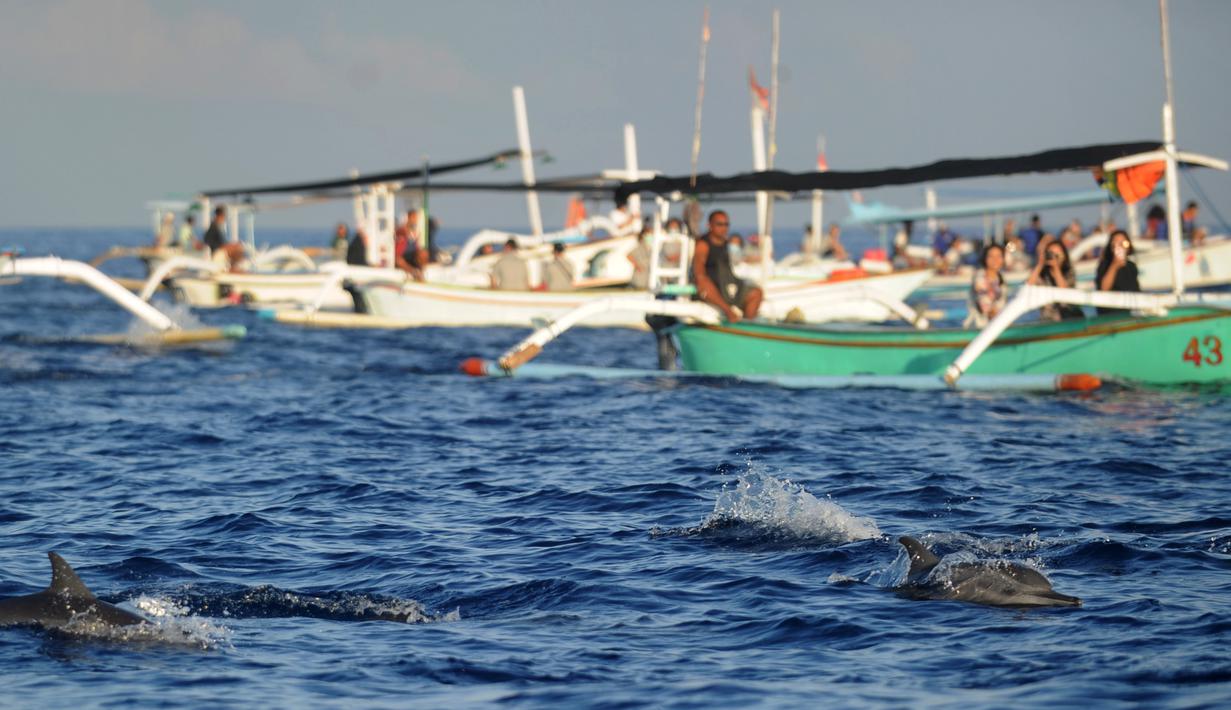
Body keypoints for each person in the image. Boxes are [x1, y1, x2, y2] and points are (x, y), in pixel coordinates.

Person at [692, 210, 762, 321]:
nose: (724, 228)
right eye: (719, 224)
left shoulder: (726, 243)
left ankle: (747, 325)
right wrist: (727, 310)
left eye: (726, 224)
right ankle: (729, 312)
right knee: (703, 282)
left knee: (756, 292)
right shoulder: (703, 245)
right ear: (709, 225)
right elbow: (699, 274)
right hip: (712, 287)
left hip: (727, 285)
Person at [1027, 237, 1083, 321]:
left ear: (1064, 256)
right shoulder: (1041, 273)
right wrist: (1040, 264)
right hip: (1048, 318)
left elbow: (1065, 292)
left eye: (1057, 255)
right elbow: (1028, 287)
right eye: (1050, 254)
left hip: (1068, 316)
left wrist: (1056, 268)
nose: (1054, 257)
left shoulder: (1069, 271)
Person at [1095, 229, 1140, 314]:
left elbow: (1136, 291)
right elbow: (1103, 289)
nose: (1120, 247)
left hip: (1130, 311)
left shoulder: (1131, 266)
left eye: (1124, 244)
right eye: (1115, 245)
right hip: (1111, 313)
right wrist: (1114, 266)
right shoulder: (1105, 265)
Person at [965, 243, 1007, 328]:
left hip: (996, 324)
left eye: (999, 256)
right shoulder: (980, 277)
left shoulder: (1000, 278)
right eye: (991, 256)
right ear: (985, 258)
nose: (995, 260)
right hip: (980, 326)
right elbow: (985, 306)